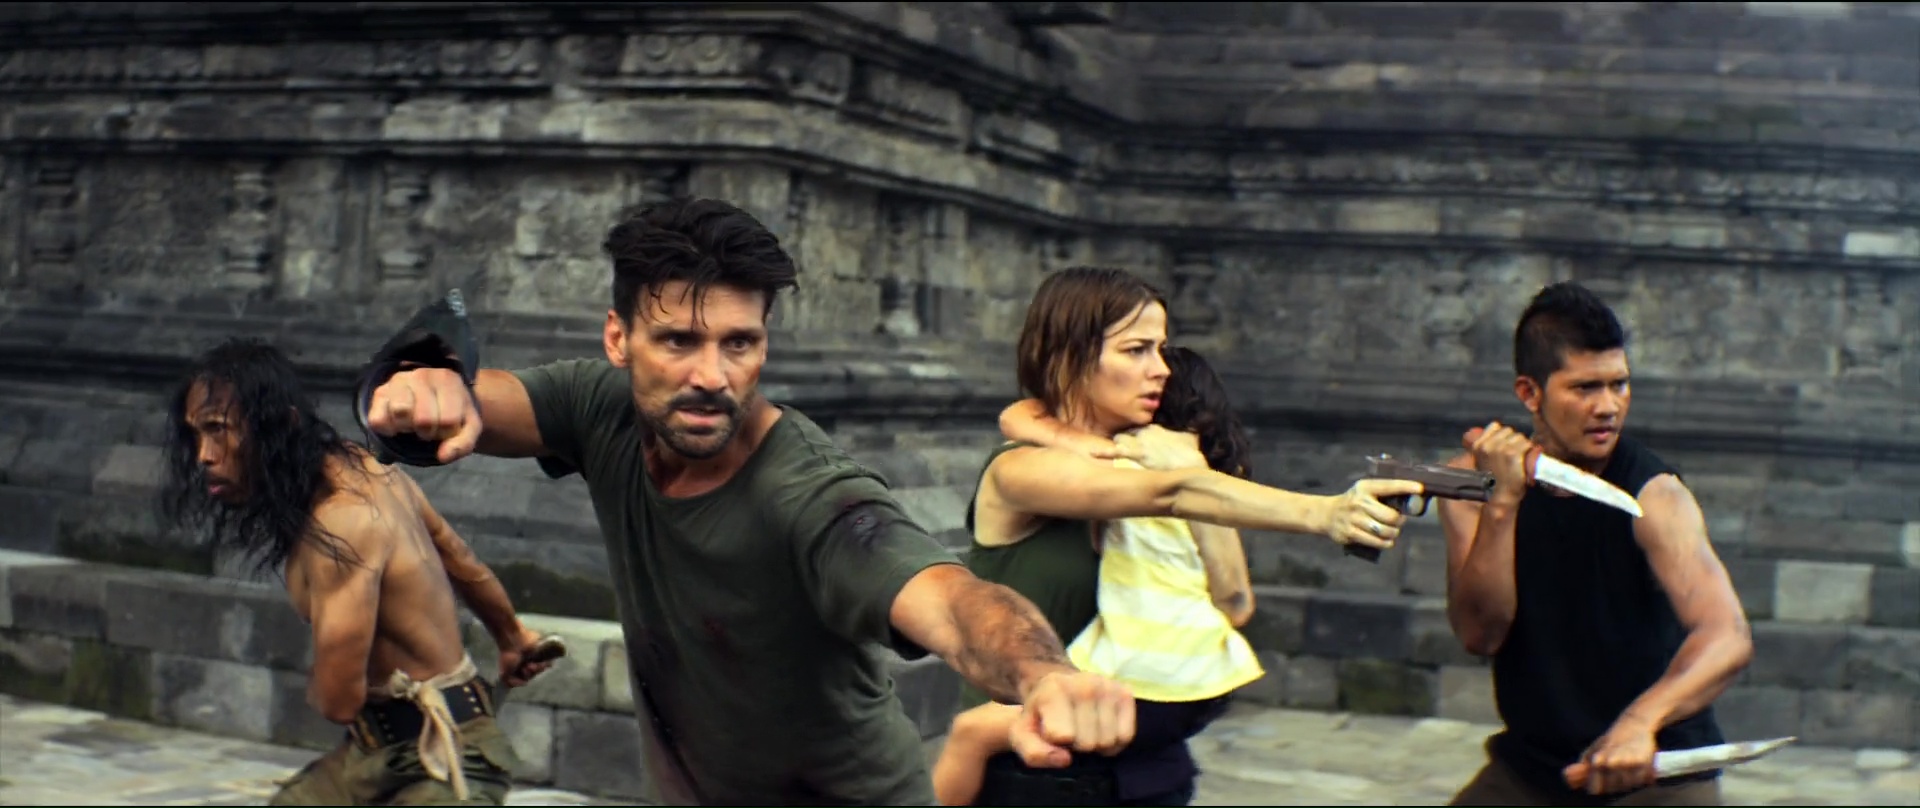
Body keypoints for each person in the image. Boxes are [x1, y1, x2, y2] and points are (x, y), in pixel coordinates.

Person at [355, 197, 1137, 806]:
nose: (712, 376)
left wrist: (1044, 674)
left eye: (740, 343)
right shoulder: (600, 409)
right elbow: (476, 399)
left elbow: (951, 601)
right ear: (618, 339)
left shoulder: (809, 492)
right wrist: (426, 385)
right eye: (679, 341)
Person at [956, 266, 1426, 806]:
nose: (1160, 369)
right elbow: (1168, 493)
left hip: (1154, 767)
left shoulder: (1166, 460)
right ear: (1067, 356)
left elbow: (1234, 601)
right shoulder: (1020, 470)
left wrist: (1188, 467)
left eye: (1160, 349)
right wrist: (1324, 513)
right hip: (1034, 775)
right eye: (1136, 350)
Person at [158, 338, 558, 806]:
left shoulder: (342, 527)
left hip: (446, 757)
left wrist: (324, 669)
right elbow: (459, 558)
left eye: (218, 430)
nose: (203, 455)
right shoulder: (370, 469)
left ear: (280, 426)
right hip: (372, 752)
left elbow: (338, 700)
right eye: (196, 434)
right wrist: (512, 638)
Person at [1436, 282, 1754, 806]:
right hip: (1536, 767)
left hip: (1654, 769)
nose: (1608, 406)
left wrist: (1638, 723)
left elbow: (1727, 635)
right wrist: (1503, 505)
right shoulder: (1473, 483)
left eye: (1619, 384)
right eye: (1584, 388)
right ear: (1530, 393)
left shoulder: (1656, 495)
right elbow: (1480, 633)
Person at [933, 345, 1262, 807]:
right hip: (1200, 688)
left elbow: (1018, 418)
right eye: (1136, 352)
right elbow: (1237, 603)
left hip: (1134, 692)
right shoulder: (1210, 478)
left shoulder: (1129, 466)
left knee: (975, 731)